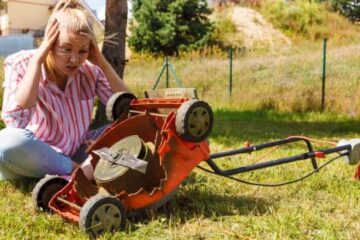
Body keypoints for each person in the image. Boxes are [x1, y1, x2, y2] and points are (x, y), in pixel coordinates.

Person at [0, 0, 130, 180]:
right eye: (65, 49)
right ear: (50, 42)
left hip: (78, 151)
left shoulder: (90, 71)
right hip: (36, 158)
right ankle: (80, 172)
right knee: (6, 141)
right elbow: (15, 121)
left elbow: (130, 107)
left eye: (82, 51)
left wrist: (101, 61)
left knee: (131, 127)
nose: (75, 59)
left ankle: (72, 173)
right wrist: (38, 61)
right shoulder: (21, 63)